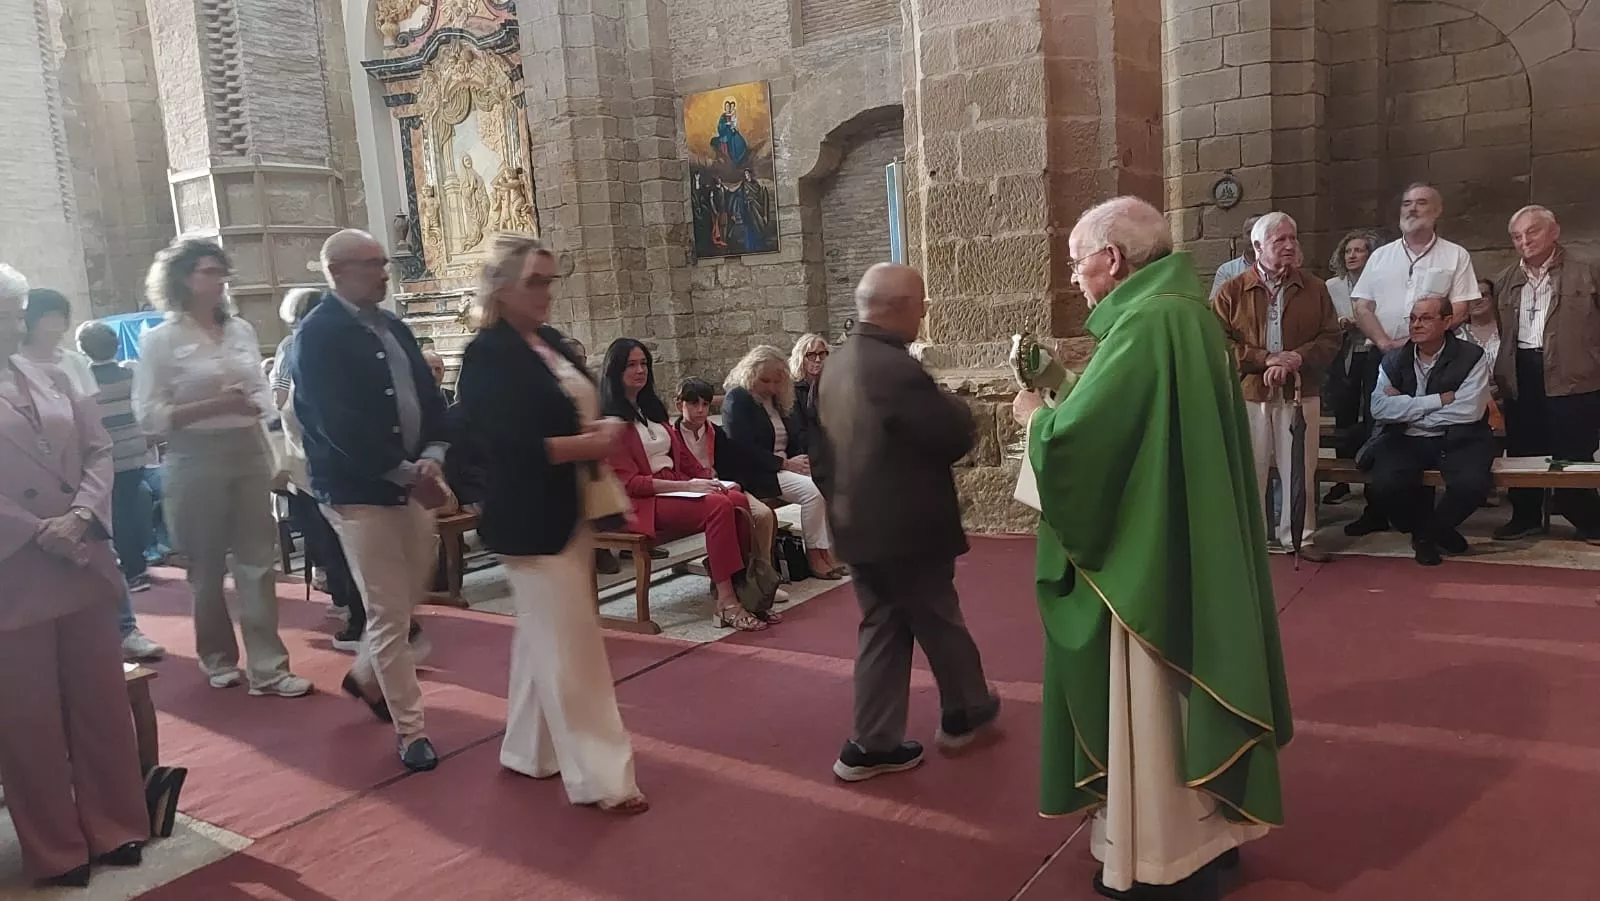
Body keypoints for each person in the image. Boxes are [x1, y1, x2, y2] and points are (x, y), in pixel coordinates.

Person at [1013, 197, 1292, 899]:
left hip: (1149, 554)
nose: (1075, 277)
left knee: (1151, 695)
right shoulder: (1186, 312)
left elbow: (1083, 449)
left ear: (1111, 259)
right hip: (1187, 537)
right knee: (1185, 693)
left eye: (1078, 262)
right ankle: (1209, 835)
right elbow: (1138, 426)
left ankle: (1163, 854)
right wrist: (1062, 387)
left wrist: (1034, 422)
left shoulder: (1144, 322)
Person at [455, 234, 647, 815]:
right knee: (573, 643)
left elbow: (568, 411)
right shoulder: (487, 354)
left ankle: (527, 749)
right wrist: (591, 441)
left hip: (570, 505)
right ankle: (602, 777)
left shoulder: (549, 344)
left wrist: (597, 434)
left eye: (550, 279)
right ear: (501, 285)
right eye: (534, 281)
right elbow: (511, 448)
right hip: (529, 513)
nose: (546, 292)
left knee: (547, 632)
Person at [0, 264, 158, 887]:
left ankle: (116, 823)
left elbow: (98, 449)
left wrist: (83, 513)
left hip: (82, 558)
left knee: (100, 702)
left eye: (14, 309)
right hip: (15, 569)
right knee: (28, 718)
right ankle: (56, 846)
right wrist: (38, 529)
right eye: (3, 311)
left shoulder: (54, 371)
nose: (12, 322)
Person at [812, 263, 999, 783]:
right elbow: (953, 434)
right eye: (921, 303)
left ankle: (871, 744)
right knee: (938, 617)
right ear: (897, 306)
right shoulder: (896, 369)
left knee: (885, 625)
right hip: (907, 529)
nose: (925, 312)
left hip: (859, 525)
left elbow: (820, 453)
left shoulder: (838, 363)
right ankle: (969, 710)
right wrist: (958, 406)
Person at [294, 229, 450, 773]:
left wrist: (433, 453)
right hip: (359, 491)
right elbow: (339, 424)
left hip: (412, 481)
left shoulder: (395, 327)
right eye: (372, 264)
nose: (385, 272)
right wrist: (409, 473)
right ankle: (412, 732)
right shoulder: (317, 336)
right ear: (336, 271)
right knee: (388, 611)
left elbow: (431, 399)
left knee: (409, 595)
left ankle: (366, 677)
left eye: (384, 262)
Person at [134, 236, 311, 698]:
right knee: (207, 567)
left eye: (221, 271)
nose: (219, 279)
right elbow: (149, 417)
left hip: (247, 445)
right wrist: (214, 404)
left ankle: (269, 668)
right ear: (181, 280)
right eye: (207, 271)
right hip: (194, 453)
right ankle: (217, 657)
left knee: (258, 561)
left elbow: (259, 388)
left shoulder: (241, 331)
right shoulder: (160, 339)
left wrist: (260, 409)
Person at [599, 339, 765, 631]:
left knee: (735, 497)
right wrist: (688, 487)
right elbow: (630, 484)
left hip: (672, 488)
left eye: (644, 364)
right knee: (716, 506)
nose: (640, 370)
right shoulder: (611, 419)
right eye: (631, 365)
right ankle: (727, 603)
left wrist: (709, 480)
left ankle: (740, 588)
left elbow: (681, 459)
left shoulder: (651, 408)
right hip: (642, 502)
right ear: (614, 370)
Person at [1213, 212, 1342, 562]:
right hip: (1251, 393)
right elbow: (1216, 341)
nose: (1289, 246)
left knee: (1300, 466)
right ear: (1257, 246)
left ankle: (1301, 536)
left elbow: (1331, 337)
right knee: (1250, 468)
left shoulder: (1314, 288)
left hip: (1301, 392)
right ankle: (1251, 539)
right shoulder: (1232, 291)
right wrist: (1264, 359)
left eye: (1292, 238)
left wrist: (1294, 359)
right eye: (1279, 240)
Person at [1490, 205, 1600, 543]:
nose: (1524, 241)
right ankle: (1525, 516)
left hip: (1574, 372)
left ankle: (1590, 520)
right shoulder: (1506, 279)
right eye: (1517, 236)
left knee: (1573, 451)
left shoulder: (1588, 269)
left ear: (1554, 231)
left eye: (1532, 231)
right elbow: (1502, 329)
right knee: (1523, 450)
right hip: (1522, 371)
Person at [271, 288, 370, 649]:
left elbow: (280, 400)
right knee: (346, 543)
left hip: (314, 461)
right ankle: (359, 610)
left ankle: (357, 615)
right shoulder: (344, 342)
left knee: (335, 543)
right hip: (329, 458)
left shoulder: (294, 347)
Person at [1366, 293, 1496, 566]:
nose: (1416, 325)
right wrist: (1434, 402)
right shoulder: (1394, 359)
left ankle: (1428, 535)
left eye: (1425, 318)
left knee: (1471, 485)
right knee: (1385, 485)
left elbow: (1468, 410)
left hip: (1461, 437)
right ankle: (1432, 532)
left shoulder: (1471, 356)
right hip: (1406, 438)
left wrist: (1405, 407)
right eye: (1412, 319)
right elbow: (1379, 408)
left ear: (1447, 321)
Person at [75, 320, 166, 660]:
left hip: (106, 457)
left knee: (113, 519)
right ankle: (138, 565)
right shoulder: (130, 373)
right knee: (133, 508)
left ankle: (132, 571)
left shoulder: (85, 379)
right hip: (134, 450)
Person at [722, 345, 844, 579]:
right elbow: (742, 446)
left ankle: (827, 551)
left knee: (829, 481)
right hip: (759, 471)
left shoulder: (778, 400)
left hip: (785, 466)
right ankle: (815, 555)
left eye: (777, 381)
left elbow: (792, 436)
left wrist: (802, 459)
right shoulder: (738, 399)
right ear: (751, 373)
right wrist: (784, 464)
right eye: (765, 381)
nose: (771, 387)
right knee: (813, 491)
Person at [673, 377, 782, 578]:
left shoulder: (717, 434)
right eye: (694, 403)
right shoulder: (672, 436)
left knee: (763, 515)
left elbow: (732, 466)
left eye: (705, 404)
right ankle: (731, 574)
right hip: (692, 491)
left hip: (723, 486)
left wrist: (736, 485)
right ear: (680, 404)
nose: (700, 410)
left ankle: (761, 572)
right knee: (725, 515)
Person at [1322, 229, 1383, 504]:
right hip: (1343, 353)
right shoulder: (1333, 285)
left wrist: (1364, 323)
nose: (1352, 255)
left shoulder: (1381, 283)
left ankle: (1373, 481)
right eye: (1348, 251)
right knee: (1343, 415)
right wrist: (1340, 324)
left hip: (1372, 351)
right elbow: (1323, 320)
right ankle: (1341, 480)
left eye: (1359, 250)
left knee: (1373, 414)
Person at [17, 287, 97, 398]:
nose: (56, 323)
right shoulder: (12, 364)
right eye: (48, 316)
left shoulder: (75, 361)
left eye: (61, 316)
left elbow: (92, 404)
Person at [789, 333, 828, 454]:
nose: (817, 360)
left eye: (822, 354)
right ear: (801, 359)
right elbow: (798, 431)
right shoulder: (793, 391)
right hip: (806, 451)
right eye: (811, 355)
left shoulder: (832, 386)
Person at [1208, 214, 1261, 299]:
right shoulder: (1226, 271)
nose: (1253, 237)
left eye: (1258, 232)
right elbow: (1215, 306)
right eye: (1249, 232)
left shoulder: (1279, 269)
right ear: (1242, 236)